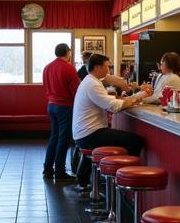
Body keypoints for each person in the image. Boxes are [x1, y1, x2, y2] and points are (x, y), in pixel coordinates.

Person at [72, 53, 147, 188]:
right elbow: (113, 106)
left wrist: (127, 99)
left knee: (125, 138)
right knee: (135, 141)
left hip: (84, 133)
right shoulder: (92, 84)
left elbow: (111, 102)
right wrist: (140, 95)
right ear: (97, 67)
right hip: (89, 134)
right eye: (107, 67)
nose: (109, 70)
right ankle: (124, 181)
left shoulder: (91, 81)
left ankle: (86, 180)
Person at [41, 42, 79, 182]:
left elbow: (45, 87)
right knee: (64, 139)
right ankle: (60, 172)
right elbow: (76, 90)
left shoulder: (47, 68)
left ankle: (48, 169)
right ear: (68, 52)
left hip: (51, 105)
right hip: (64, 106)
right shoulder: (69, 68)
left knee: (54, 137)